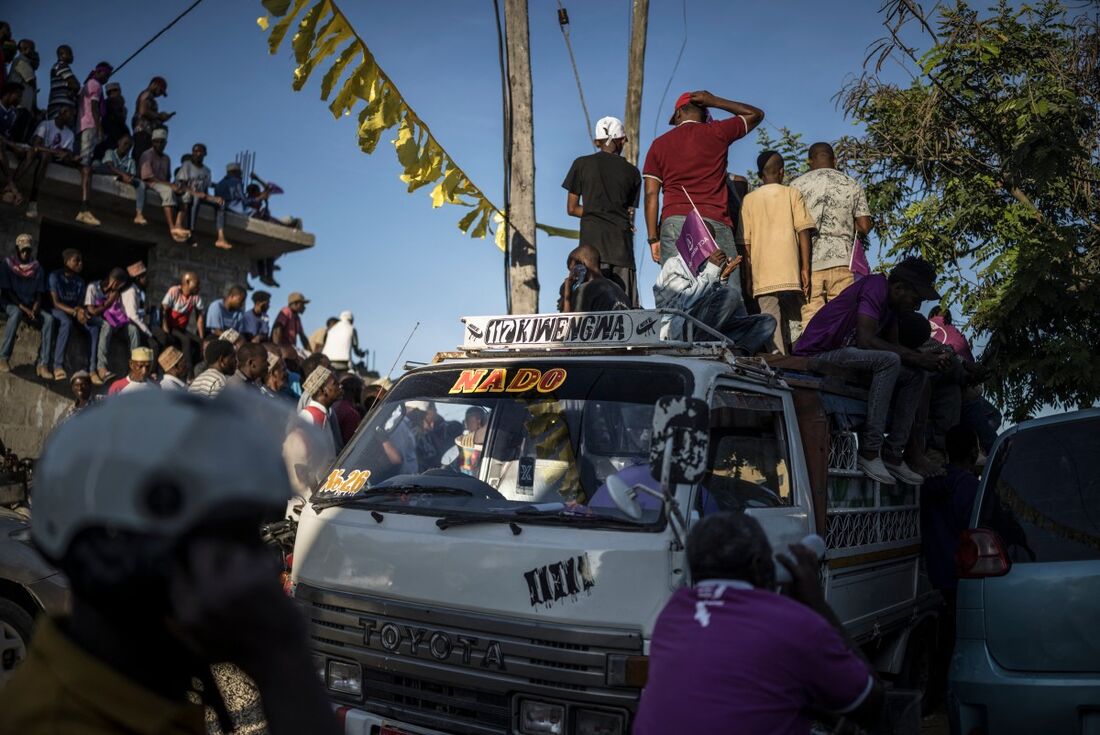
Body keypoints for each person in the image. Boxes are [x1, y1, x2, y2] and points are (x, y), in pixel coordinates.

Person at [0, 390, 341, 735]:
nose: (261, 569)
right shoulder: (63, 724)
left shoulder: (138, 696)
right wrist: (285, 663)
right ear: (132, 565)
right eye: (233, 543)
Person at [635, 512, 882, 735]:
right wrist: (817, 605)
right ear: (759, 565)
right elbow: (870, 706)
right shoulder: (796, 623)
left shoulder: (674, 614)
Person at [793, 258, 950, 485]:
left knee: (917, 375)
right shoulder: (875, 286)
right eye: (916, 299)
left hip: (846, 360)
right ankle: (870, 450)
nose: (917, 307)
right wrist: (917, 357)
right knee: (890, 361)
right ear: (898, 288)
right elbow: (866, 341)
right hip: (817, 356)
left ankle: (894, 453)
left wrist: (927, 361)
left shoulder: (893, 310)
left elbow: (898, 350)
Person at [642, 90, 764, 267]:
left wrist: (653, 238)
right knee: (725, 291)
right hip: (716, 221)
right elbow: (756, 114)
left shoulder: (659, 144)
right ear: (705, 114)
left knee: (678, 288)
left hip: (675, 224)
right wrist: (715, 101)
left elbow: (651, 194)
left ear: (678, 113)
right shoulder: (718, 132)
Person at [739, 150, 815, 354]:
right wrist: (805, 267)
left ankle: (779, 364)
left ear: (759, 175)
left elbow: (746, 244)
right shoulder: (792, 193)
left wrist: (748, 276)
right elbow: (803, 231)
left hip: (762, 275)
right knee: (800, 320)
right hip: (791, 272)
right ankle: (801, 360)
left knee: (771, 322)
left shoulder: (748, 200)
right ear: (782, 172)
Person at [562, 116, 642, 305]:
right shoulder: (632, 173)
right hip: (622, 251)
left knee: (590, 309)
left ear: (597, 142)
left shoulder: (581, 164)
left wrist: (594, 212)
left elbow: (572, 209)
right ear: (620, 140)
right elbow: (627, 212)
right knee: (623, 313)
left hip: (591, 255)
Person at [791, 142, 873, 324]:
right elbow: (865, 226)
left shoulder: (796, 186)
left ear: (809, 161)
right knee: (842, 320)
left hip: (808, 264)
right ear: (834, 160)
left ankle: (810, 352)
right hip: (843, 262)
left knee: (811, 320)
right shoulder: (852, 184)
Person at [653, 245, 776, 355]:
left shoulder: (705, 266)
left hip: (709, 329)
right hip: (682, 330)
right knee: (730, 294)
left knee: (767, 321)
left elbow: (713, 305)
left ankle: (739, 353)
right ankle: (702, 351)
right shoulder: (675, 263)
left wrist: (722, 278)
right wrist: (711, 270)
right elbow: (681, 304)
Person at [0, 234, 54, 377]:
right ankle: (3, 357)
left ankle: (43, 365)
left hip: (30, 304)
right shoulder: (7, 264)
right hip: (11, 302)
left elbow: (39, 293)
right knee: (16, 313)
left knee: (48, 319)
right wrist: (24, 308)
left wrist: (36, 307)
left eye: (28, 250)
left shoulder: (37, 268)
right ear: (17, 249)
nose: (25, 253)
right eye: (23, 250)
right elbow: (6, 291)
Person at [22, 102, 76, 219]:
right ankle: (33, 198)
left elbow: (69, 153)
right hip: (40, 155)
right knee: (45, 155)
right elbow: (36, 145)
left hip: (55, 159)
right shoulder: (45, 124)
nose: (72, 118)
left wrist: (69, 156)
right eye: (70, 115)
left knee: (48, 156)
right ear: (62, 113)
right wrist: (57, 152)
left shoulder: (70, 134)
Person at [75, 61, 112, 227]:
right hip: (89, 126)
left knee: (85, 162)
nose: (107, 77)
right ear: (99, 72)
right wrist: (99, 128)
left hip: (82, 126)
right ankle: (84, 208)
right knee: (86, 164)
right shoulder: (95, 84)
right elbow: (95, 107)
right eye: (106, 74)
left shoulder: (87, 84)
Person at [176, 142, 231, 249]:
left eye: (200, 151)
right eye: (195, 151)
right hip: (189, 195)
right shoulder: (187, 165)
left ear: (205, 154)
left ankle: (220, 237)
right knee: (196, 198)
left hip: (202, 195)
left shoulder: (207, 171)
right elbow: (180, 185)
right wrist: (196, 193)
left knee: (221, 202)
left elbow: (205, 190)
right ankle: (191, 232)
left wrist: (213, 198)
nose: (198, 154)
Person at [139, 126, 189, 241]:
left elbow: (167, 177)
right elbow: (148, 177)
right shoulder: (147, 154)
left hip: (163, 183)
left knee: (186, 194)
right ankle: (172, 227)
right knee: (168, 191)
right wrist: (170, 186)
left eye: (162, 142)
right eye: (157, 142)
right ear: (153, 142)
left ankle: (178, 224)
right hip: (150, 183)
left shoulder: (167, 158)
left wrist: (176, 186)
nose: (160, 144)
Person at [47, 248, 88, 379]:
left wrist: (81, 311)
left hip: (73, 312)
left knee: (93, 326)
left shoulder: (80, 281)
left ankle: (92, 368)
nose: (80, 264)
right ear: (67, 261)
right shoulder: (55, 276)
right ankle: (58, 365)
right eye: (77, 260)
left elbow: (79, 303)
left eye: (81, 261)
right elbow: (55, 303)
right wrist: (75, 312)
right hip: (56, 310)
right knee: (66, 322)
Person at [84, 267, 126, 384]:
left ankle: (98, 370)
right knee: (106, 326)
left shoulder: (113, 293)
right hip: (88, 319)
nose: (119, 289)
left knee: (108, 326)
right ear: (115, 282)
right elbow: (92, 311)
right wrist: (108, 303)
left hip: (100, 322)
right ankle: (101, 367)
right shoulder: (93, 287)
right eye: (119, 286)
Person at [559, 244, 631, 313]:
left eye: (572, 270)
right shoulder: (620, 291)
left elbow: (570, 323)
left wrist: (567, 295)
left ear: (582, 266)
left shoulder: (584, 290)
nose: (571, 276)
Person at [95, 132, 147, 224]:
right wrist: (122, 175)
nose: (127, 147)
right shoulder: (110, 152)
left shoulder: (131, 161)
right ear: (119, 142)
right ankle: (118, 177)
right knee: (96, 164)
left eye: (129, 146)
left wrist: (127, 177)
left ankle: (139, 214)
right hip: (108, 173)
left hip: (122, 178)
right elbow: (110, 166)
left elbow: (131, 175)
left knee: (141, 184)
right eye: (125, 144)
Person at [159, 270, 205, 365]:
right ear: (187, 282)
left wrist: (201, 338)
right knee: (186, 340)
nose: (199, 287)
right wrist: (165, 329)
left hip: (181, 328)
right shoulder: (174, 291)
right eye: (197, 284)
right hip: (171, 327)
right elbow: (163, 310)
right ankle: (189, 373)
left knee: (198, 342)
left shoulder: (195, 297)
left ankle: (196, 368)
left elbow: (199, 318)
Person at [130, 76, 172, 161]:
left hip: (147, 133)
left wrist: (161, 119)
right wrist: (160, 116)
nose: (159, 94)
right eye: (160, 90)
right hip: (143, 132)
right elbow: (143, 111)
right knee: (141, 157)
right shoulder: (147, 94)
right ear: (154, 84)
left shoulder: (149, 96)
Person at [120, 261, 153, 348]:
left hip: (134, 322)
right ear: (138, 278)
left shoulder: (140, 291)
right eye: (145, 276)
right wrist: (148, 332)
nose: (148, 279)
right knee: (152, 344)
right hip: (127, 325)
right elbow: (132, 316)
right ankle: (134, 360)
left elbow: (135, 311)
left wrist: (144, 312)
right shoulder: (131, 292)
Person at [46, 44, 78, 120]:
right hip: (61, 108)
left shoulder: (58, 66)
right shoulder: (61, 65)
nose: (72, 56)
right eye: (69, 54)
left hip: (59, 106)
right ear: (61, 55)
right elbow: (75, 85)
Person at [7, 39, 38, 116]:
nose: (34, 52)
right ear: (24, 49)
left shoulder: (25, 62)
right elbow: (31, 80)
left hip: (23, 106)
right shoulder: (21, 60)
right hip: (19, 106)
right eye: (32, 48)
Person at [332, 373, 364, 444]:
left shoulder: (334, 406)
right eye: (360, 389)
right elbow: (351, 444)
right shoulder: (351, 414)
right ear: (355, 390)